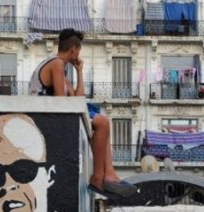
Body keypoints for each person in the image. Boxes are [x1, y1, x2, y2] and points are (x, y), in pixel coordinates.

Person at [29, 28, 135, 197]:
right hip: (46, 118)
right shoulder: (55, 64)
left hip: (54, 115)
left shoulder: (61, 71)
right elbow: (61, 102)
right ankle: (99, 177)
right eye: (79, 50)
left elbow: (79, 101)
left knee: (102, 122)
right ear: (74, 49)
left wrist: (79, 72)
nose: (79, 54)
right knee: (102, 122)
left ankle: (109, 174)